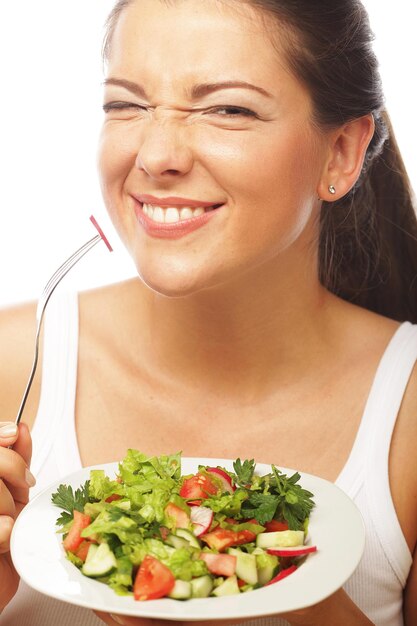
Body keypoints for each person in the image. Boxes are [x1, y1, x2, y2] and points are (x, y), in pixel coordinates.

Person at [1, 0, 416, 624]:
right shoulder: (10, 361)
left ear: (341, 153)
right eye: (126, 104)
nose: (155, 155)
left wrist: (290, 603)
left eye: (228, 109)